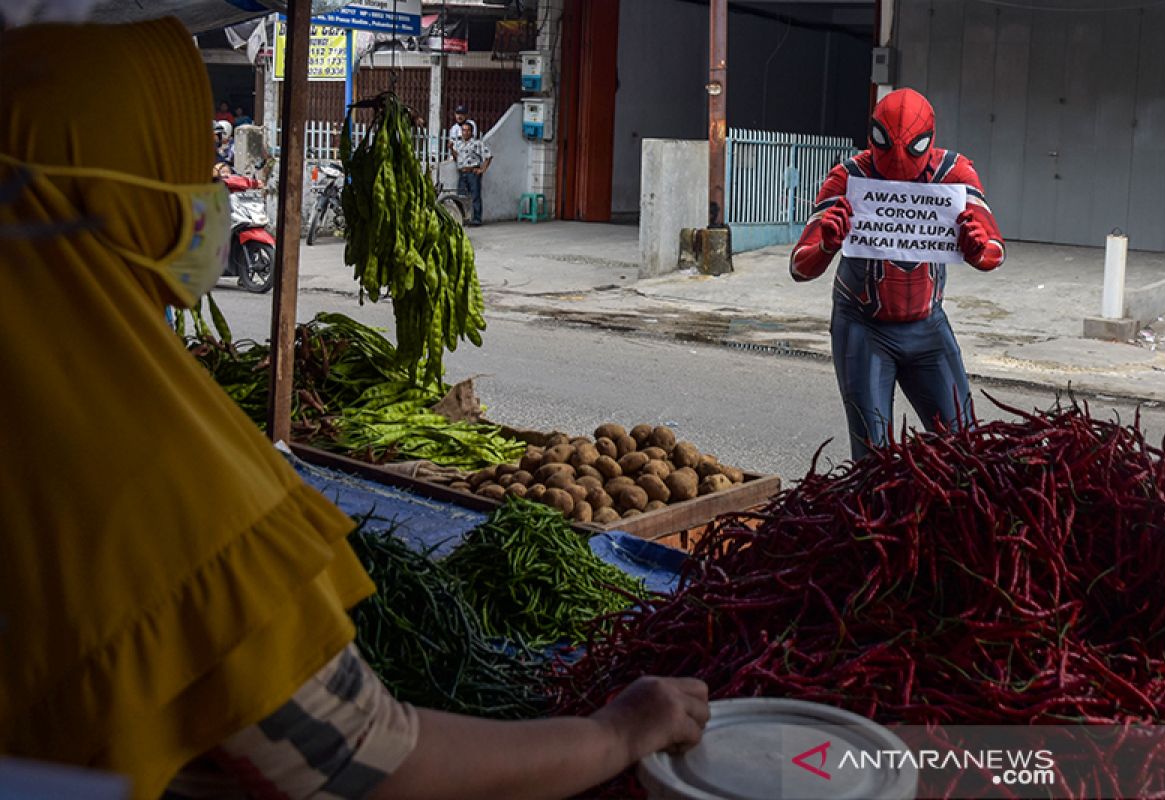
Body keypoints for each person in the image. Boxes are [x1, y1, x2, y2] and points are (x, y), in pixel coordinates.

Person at [0, 16, 709, 800]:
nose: (203, 192)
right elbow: (363, 759)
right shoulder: (153, 482)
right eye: (182, 167)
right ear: (113, 197)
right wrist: (618, 731)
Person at [789, 88, 1005, 460]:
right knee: (873, 460)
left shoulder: (954, 173)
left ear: (929, 142)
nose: (899, 169)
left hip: (927, 323)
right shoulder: (849, 176)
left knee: (965, 450)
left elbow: (995, 251)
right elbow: (799, 266)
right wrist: (827, 243)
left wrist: (976, 249)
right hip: (863, 324)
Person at [453, 120, 491, 226]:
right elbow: (456, 157)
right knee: (461, 196)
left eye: (467, 130)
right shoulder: (458, 143)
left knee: (475, 196)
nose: (465, 133)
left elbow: (488, 156)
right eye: (463, 130)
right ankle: (463, 218)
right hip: (462, 173)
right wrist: (451, 148)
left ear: (471, 132)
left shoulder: (477, 143)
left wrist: (482, 169)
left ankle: (477, 219)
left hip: (473, 173)